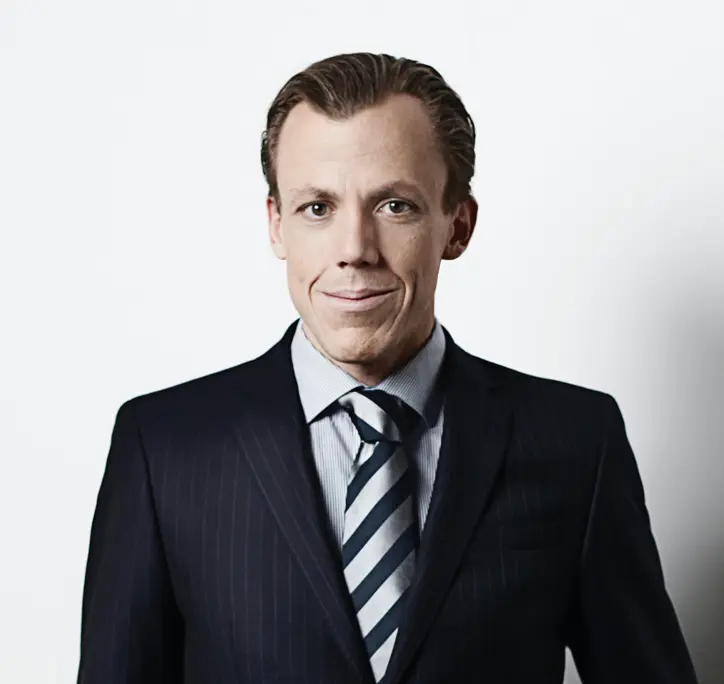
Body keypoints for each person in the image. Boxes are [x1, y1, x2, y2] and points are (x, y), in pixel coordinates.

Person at [76, 52, 698, 684]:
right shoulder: (163, 447)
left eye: (395, 206)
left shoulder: (576, 442)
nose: (354, 250)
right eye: (317, 208)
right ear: (276, 225)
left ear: (457, 226)